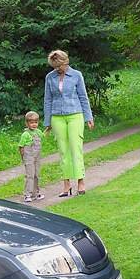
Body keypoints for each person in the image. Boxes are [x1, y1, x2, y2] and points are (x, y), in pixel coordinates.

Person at [43, 49, 94, 196]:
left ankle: (80, 181)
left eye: (60, 66)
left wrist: (88, 117)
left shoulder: (77, 75)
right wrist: (48, 122)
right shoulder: (49, 77)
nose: (58, 69)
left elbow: (83, 97)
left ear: (66, 62)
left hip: (75, 115)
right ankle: (66, 185)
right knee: (63, 151)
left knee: (75, 149)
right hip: (57, 117)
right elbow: (48, 100)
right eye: (55, 67)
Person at [18, 111, 44, 202]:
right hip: (28, 157)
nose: (34, 124)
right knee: (30, 175)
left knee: (37, 175)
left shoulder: (38, 132)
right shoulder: (25, 135)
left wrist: (49, 128)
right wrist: (23, 157)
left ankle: (36, 193)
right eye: (31, 122)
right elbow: (21, 147)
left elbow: (44, 136)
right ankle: (27, 194)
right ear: (27, 123)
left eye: (36, 122)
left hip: (37, 157)